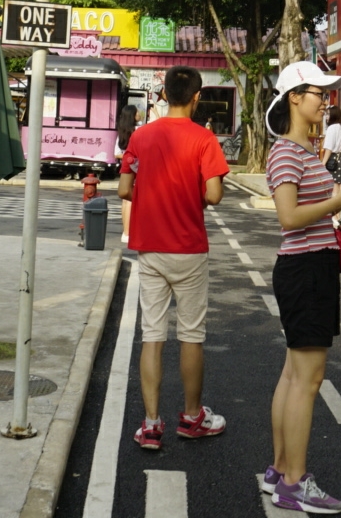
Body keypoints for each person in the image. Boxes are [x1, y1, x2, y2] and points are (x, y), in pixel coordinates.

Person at [262, 61, 341, 514]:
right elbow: (288, 218)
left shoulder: (306, 152)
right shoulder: (287, 152)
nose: (324, 100)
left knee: (293, 375)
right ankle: (293, 483)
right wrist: (337, 201)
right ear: (294, 98)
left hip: (311, 268)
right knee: (308, 380)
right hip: (305, 270)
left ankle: (281, 470)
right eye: (317, 93)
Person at [116, 66, 229, 451]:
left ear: (163, 95)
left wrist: (150, 196)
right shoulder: (204, 139)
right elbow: (213, 195)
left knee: (152, 336)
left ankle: (150, 425)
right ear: (196, 97)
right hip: (190, 249)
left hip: (150, 249)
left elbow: (124, 189)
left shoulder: (141, 137)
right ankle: (192, 417)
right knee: (191, 336)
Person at [320, 105, 341, 220]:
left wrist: (323, 163)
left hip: (334, 160)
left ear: (333, 115)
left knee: (334, 190)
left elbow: (328, 148)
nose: (326, 117)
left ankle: (336, 217)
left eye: (328, 114)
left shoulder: (332, 128)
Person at [114, 104, 140, 245]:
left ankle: (125, 231)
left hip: (125, 166)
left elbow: (116, 153)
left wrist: (125, 157)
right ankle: (130, 231)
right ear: (133, 115)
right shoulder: (138, 131)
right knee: (131, 198)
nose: (139, 114)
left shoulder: (122, 132)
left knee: (125, 200)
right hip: (137, 167)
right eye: (137, 113)